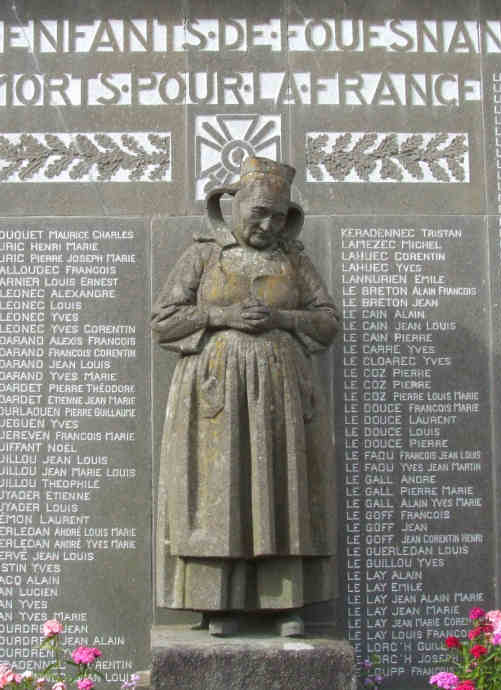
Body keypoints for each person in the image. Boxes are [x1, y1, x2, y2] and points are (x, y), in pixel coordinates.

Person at [151, 157, 339, 636]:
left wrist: (283, 320)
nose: (267, 224)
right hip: (214, 397)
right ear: (232, 206)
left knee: (284, 492)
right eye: (258, 213)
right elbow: (164, 321)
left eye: (277, 215)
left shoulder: (294, 259)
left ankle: (286, 602)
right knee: (219, 491)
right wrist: (223, 316)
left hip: (282, 397)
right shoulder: (203, 255)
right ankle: (219, 604)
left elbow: (326, 322)